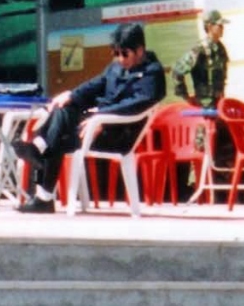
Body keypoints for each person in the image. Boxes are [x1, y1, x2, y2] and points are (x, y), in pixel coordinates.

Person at [12, 22, 166, 214]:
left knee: (58, 137)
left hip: (118, 133)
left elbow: (137, 103)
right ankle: (40, 149)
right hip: (95, 125)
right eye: (116, 53)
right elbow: (94, 85)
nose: (120, 59)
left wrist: (102, 117)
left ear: (140, 50)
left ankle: (43, 190)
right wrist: (71, 95)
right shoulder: (115, 68)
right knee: (63, 109)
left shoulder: (152, 73)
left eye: (125, 54)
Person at [171, 9, 229, 109]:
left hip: (219, 103)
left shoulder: (220, 48)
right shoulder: (200, 49)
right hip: (204, 105)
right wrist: (185, 97)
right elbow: (177, 71)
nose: (222, 28)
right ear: (210, 27)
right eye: (219, 25)